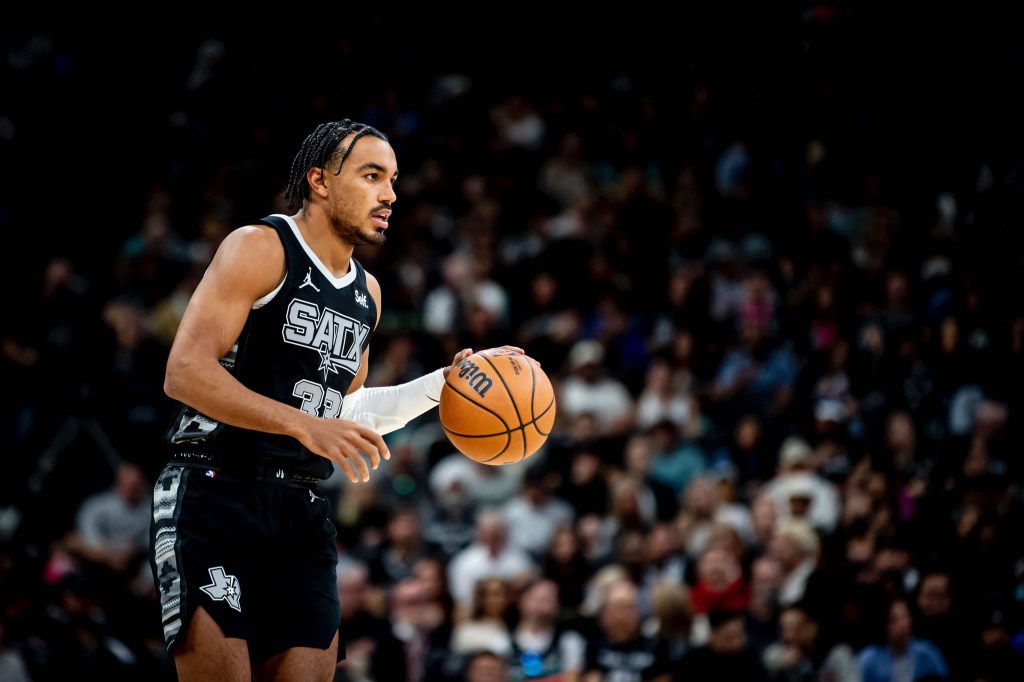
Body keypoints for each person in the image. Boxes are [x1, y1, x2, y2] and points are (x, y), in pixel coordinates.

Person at [147, 118, 530, 681]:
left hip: (298, 509)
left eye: (393, 180)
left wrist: (439, 386)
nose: (389, 194)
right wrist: (306, 425)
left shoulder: (366, 292)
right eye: (372, 176)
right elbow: (184, 372)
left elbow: (343, 413)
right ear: (320, 180)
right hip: (214, 491)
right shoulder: (261, 247)